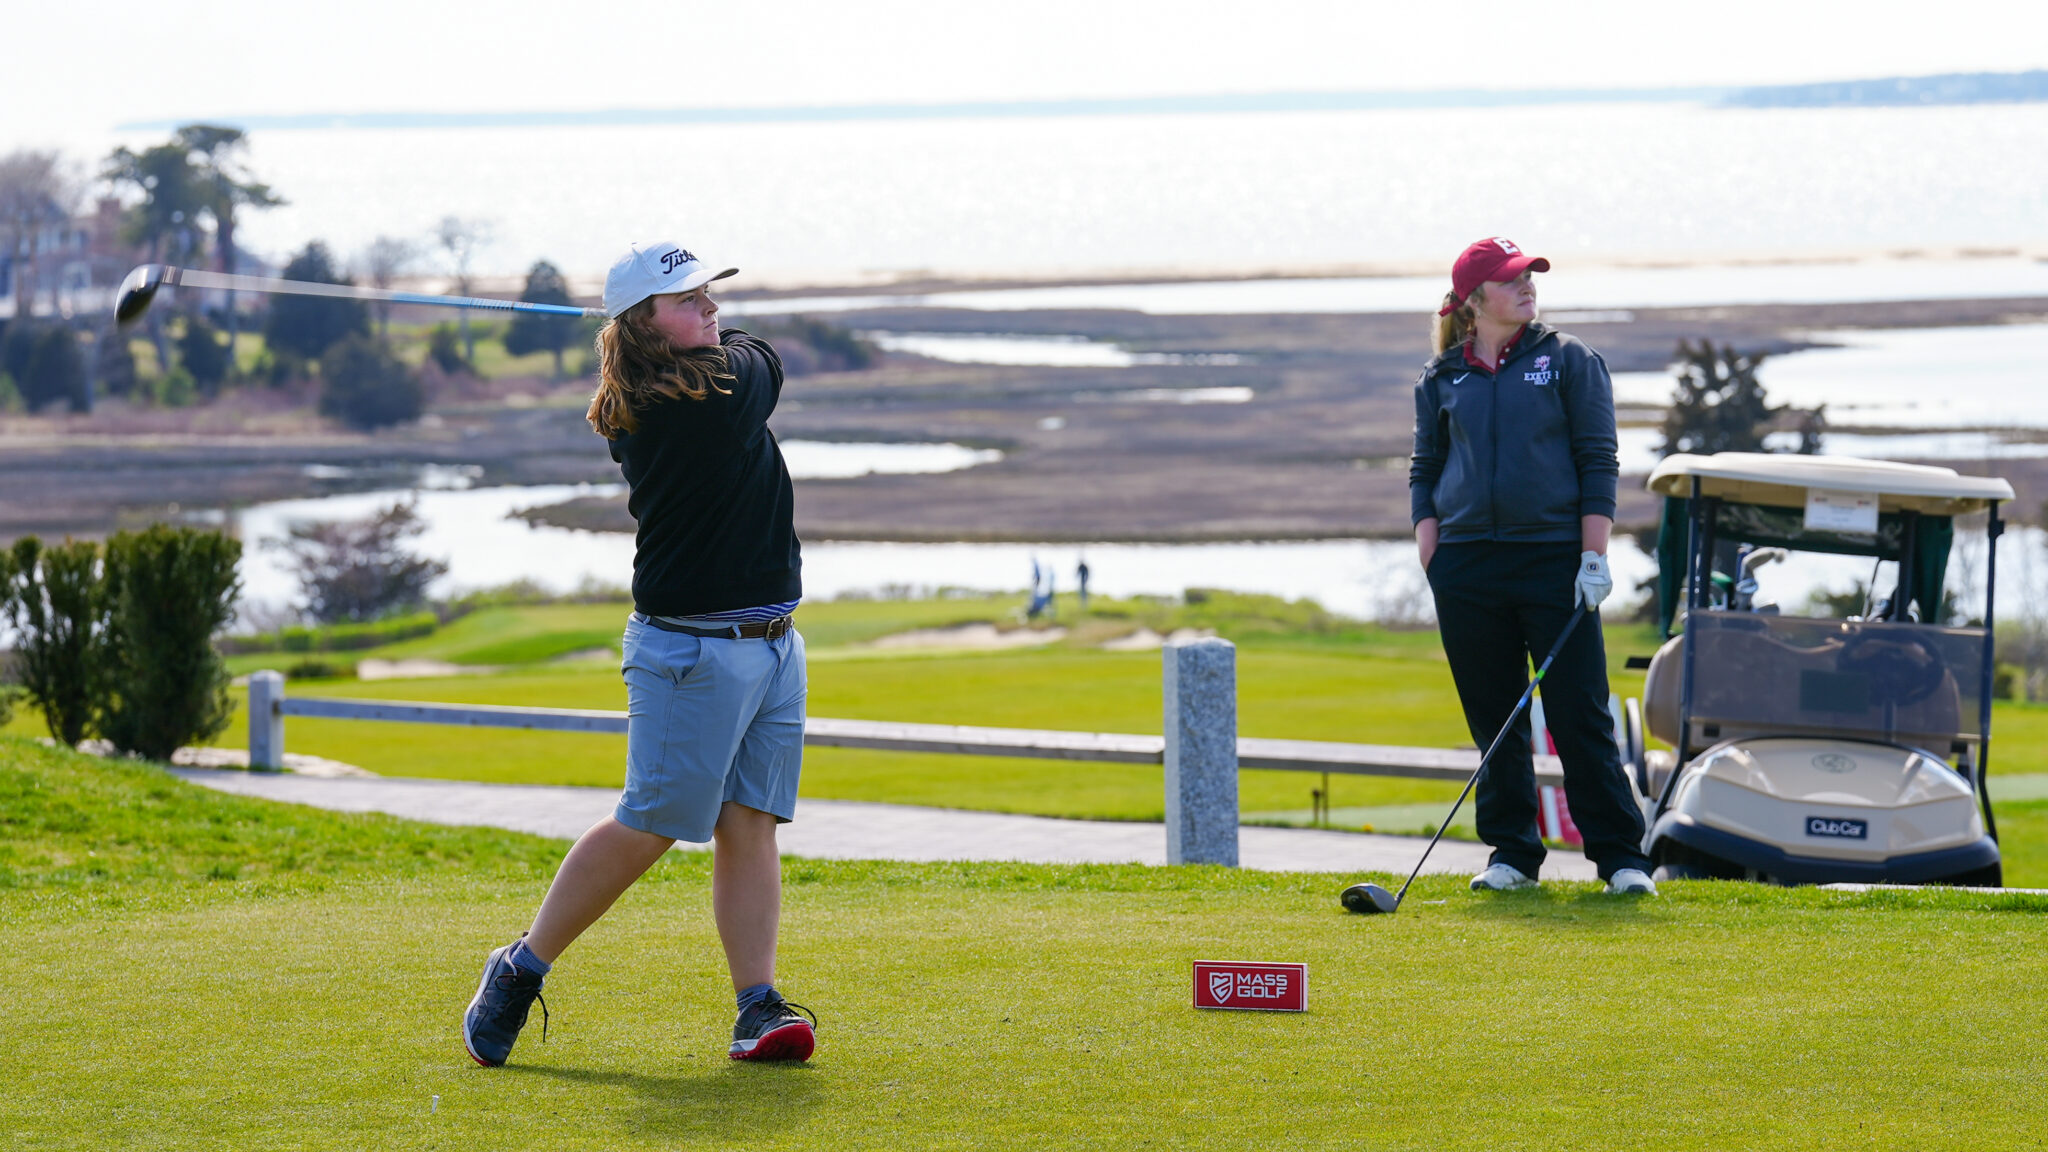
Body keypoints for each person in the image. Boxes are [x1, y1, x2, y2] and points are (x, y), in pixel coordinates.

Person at [462, 240, 817, 1066]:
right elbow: (765, 365)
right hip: (693, 653)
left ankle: (756, 1007)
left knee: (750, 822)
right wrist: (730, 345)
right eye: (689, 300)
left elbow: (738, 357)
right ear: (646, 324)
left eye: (708, 295)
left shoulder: (699, 377)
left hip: (771, 642)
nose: (712, 310)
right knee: (651, 824)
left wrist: (697, 330)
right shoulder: (686, 405)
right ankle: (520, 965)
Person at [1408, 237, 1656, 897]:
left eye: (1529, 277)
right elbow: (1426, 470)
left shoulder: (1570, 360)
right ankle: (1513, 854)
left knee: (1579, 712)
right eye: (1512, 279)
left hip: (1553, 562)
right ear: (1473, 300)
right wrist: (1431, 550)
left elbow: (1598, 458)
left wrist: (1593, 556)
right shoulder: (1442, 377)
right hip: (1466, 568)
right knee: (1496, 719)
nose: (1527, 287)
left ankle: (1621, 859)